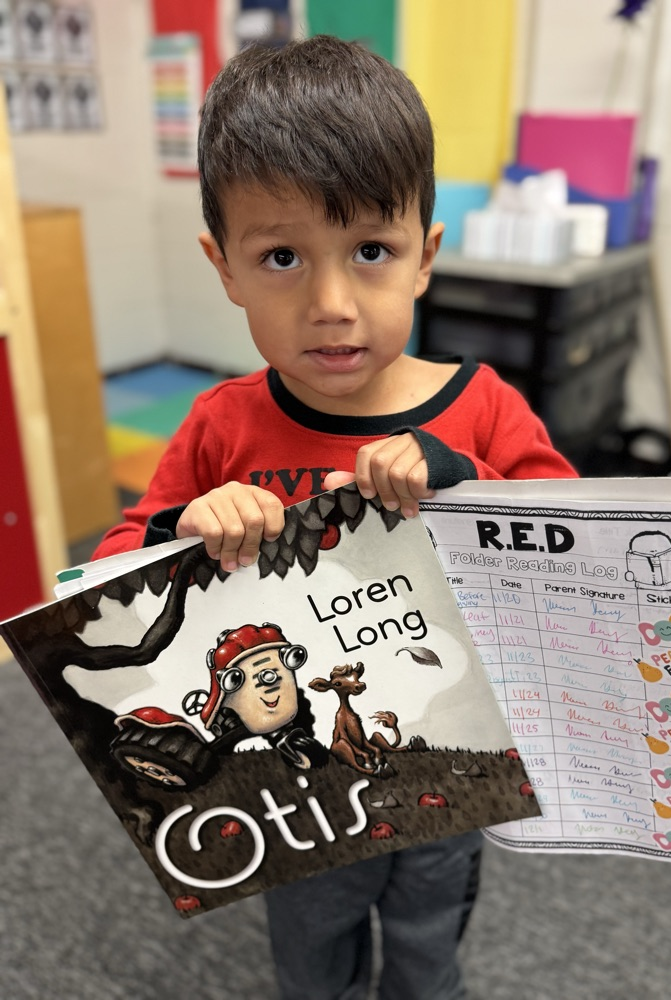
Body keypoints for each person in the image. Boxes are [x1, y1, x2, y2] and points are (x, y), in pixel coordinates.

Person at [94, 34, 577, 1000]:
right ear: (223, 266)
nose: (331, 303)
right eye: (279, 256)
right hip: (293, 795)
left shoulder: (483, 406)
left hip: (453, 765)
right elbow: (107, 572)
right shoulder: (221, 422)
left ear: (426, 257)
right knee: (311, 955)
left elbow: (569, 545)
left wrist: (461, 472)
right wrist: (186, 524)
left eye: (371, 251)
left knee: (430, 943)